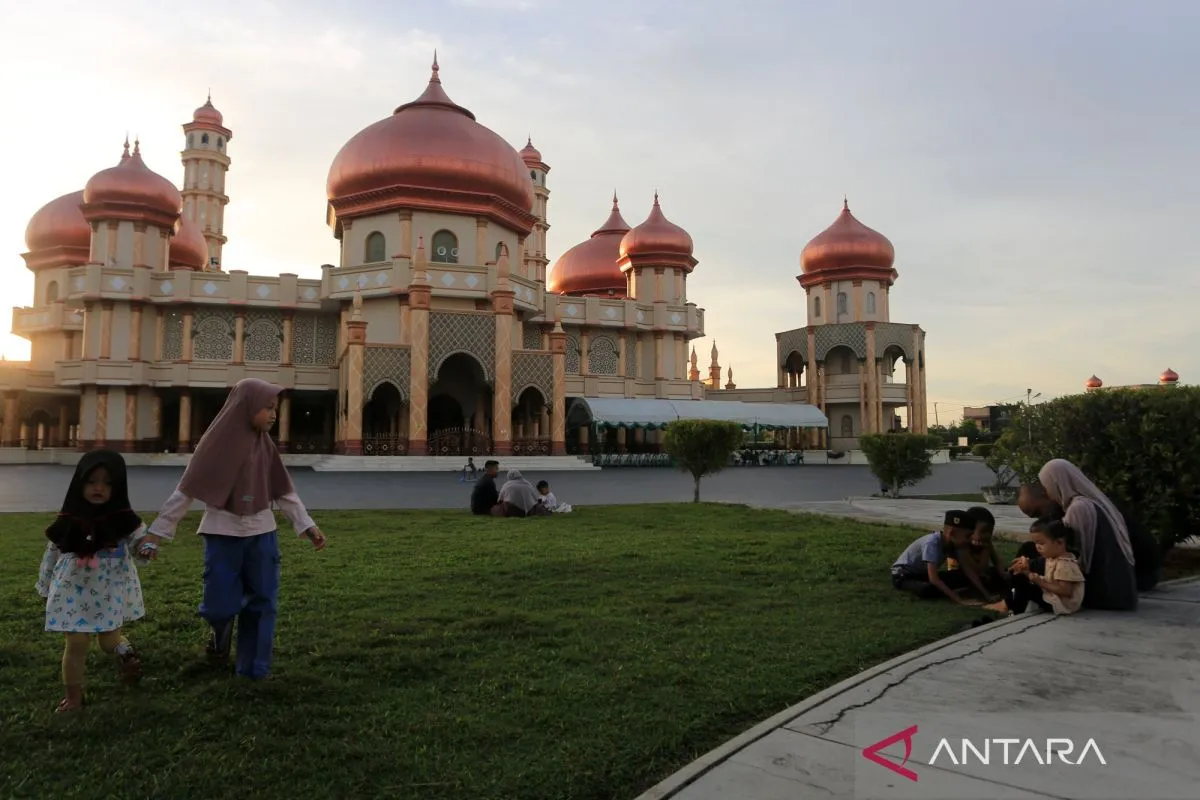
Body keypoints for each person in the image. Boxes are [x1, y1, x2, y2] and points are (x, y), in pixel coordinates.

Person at [143, 378, 327, 680]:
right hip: (222, 535)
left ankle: (253, 670)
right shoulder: (215, 444)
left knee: (262, 602)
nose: (274, 415)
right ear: (247, 406)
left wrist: (306, 525)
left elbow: (283, 491)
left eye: (275, 408)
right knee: (218, 606)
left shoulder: (265, 447)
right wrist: (157, 533)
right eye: (267, 407)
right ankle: (220, 632)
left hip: (262, 535)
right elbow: (186, 490)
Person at [36, 450, 150, 713]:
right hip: (72, 590)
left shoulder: (125, 520)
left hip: (107, 591)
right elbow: (52, 553)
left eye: (107, 483)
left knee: (108, 642)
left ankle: (125, 653)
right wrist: (45, 587)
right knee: (76, 643)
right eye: (92, 481)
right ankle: (74, 697)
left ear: (117, 487)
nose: (99, 487)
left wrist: (146, 548)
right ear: (80, 482)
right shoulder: (69, 518)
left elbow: (139, 542)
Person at [1017, 459, 1137, 611]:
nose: (1048, 493)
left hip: (1105, 594)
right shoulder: (1090, 503)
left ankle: (1012, 607)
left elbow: (1069, 555)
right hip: (1119, 593)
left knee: (1029, 578)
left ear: (1058, 483)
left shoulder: (1079, 508)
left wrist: (1031, 566)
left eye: (1047, 487)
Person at [890, 510, 994, 603]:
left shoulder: (954, 546)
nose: (969, 541)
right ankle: (952, 592)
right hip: (904, 576)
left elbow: (969, 571)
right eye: (967, 536)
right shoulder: (932, 543)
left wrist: (986, 594)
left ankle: (953, 591)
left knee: (962, 576)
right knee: (927, 589)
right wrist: (958, 600)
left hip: (923, 575)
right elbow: (933, 579)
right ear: (952, 533)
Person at [987, 518, 1085, 615]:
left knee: (1025, 586)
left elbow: (1065, 591)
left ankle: (1016, 610)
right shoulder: (1053, 558)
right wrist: (1027, 568)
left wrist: (1040, 582)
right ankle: (1013, 604)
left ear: (1060, 542)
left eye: (1041, 543)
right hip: (1054, 596)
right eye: (1036, 543)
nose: (1037, 547)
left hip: (1061, 604)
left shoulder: (1065, 564)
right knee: (1022, 577)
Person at [946, 506, 1006, 593]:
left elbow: (997, 561)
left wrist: (1002, 572)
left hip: (980, 575)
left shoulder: (986, 543)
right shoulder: (961, 545)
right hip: (961, 576)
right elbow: (979, 569)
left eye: (990, 532)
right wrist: (985, 550)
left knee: (1000, 573)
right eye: (983, 531)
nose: (987, 536)